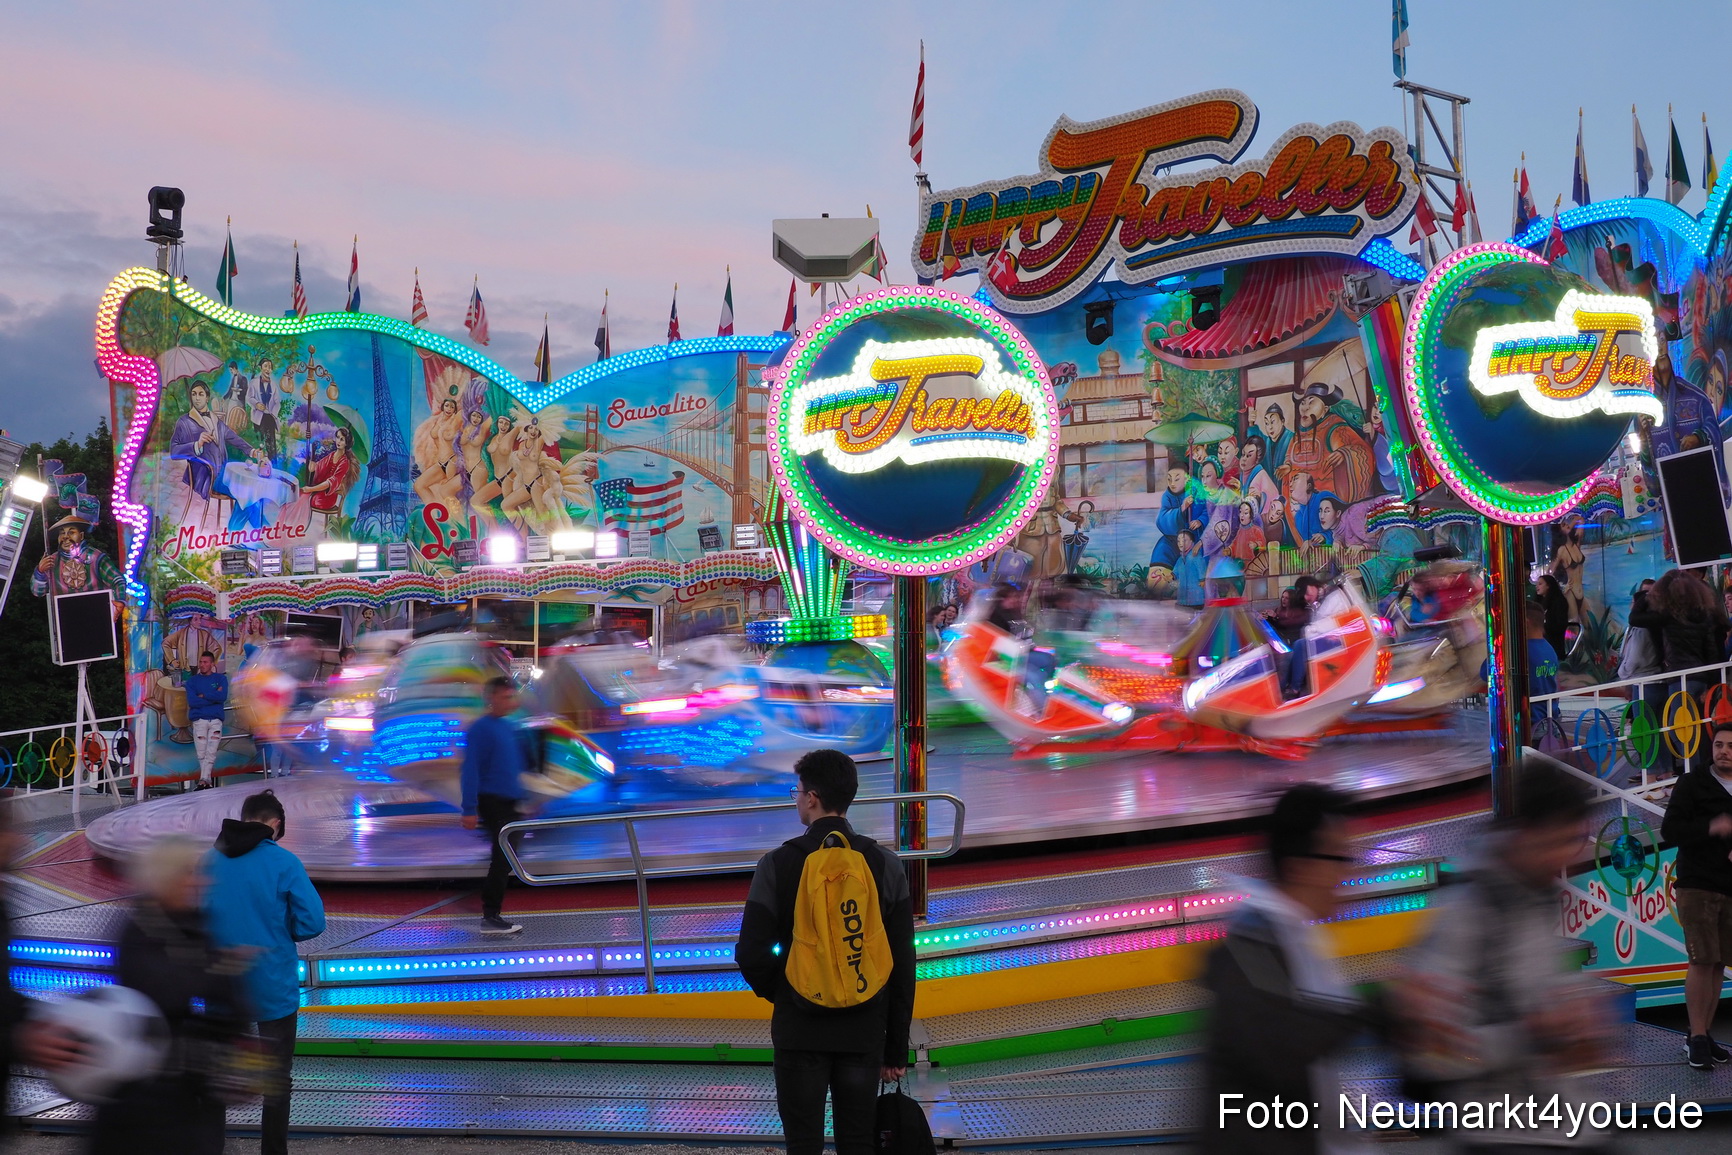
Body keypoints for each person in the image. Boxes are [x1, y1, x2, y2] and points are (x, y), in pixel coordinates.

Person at [1397, 757, 1615, 1148]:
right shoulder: (1466, 911)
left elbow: (1538, 990)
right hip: (1497, 1133)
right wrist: (1531, 1033)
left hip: (1564, 1123)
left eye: (1573, 841)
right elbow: (1432, 1053)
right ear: (1521, 834)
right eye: (1554, 843)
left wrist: (1577, 1018)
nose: (1564, 858)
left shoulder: (1535, 898)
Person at [734, 750, 916, 1155]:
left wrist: (789, 991)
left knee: (803, 1144)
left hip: (800, 1030)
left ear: (812, 797)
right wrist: (896, 1048)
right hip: (865, 1026)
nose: (796, 799)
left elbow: (750, 953)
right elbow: (902, 964)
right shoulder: (885, 864)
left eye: (798, 792)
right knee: (857, 1141)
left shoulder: (778, 864)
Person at [1200, 784, 1380, 1155]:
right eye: (1340, 858)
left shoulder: (1297, 938)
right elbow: (1281, 1046)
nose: (1350, 873)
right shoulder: (1253, 943)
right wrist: (1381, 1013)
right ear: (1299, 866)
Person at [90, 838, 247, 1155]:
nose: (201, 881)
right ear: (165, 877)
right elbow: (165, 990)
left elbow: (232, 1009)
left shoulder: (193, 928)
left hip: (187, 1097)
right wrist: (217, 967)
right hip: (137, 1101)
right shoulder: (138, 931)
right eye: (189, 872)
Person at [204, 789, 326, 1155]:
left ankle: (209, 1147)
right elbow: (313, 922)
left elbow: (191, 918)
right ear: (274, 824)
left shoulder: (207, 861)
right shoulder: (284, 863)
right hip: (272, 984)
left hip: (220, 984)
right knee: (275, 1079)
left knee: (217, 1074)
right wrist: (281, 929)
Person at [1661, 722, 1732, 1069]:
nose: (1724, 751)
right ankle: (1699, 1039)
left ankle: (1702, 1034)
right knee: (1702, 960)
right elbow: (1670, 830)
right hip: (1698, 883)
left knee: (1719, 961)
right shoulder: (1693, 783)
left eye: (1731, 746)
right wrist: (1712, 828)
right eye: (1719, 744)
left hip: (1729, 886)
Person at [461, 676, 530, 935]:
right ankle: (490, 916)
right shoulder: (481, 729)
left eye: (512, 696)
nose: (510, 701)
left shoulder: (508, 727)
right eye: (505, 697)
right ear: (491, 699)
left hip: (509, 802)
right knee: (502, 858)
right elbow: (471, 770)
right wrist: (468, 809)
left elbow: (512, 768)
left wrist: (526, 798)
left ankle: (487, 910)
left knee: (505, 858)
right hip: (493, 802)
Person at [184, 650, 228, 790]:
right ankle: (206, 780)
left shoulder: (220, 679)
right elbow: (192, 701)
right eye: (201, 662)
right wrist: (212, 697)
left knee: (211, 751)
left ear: (212, 664)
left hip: (215, 719)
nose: (202, 665)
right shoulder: (192, 681)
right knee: (201, 752)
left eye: (205, 662)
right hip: (199, 719)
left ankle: (203, 780)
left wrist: (203, 696)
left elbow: (222, 697)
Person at [1524, 600, 1561, 730]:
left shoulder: (1521, 651)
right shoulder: (1550, 650)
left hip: (1532, 723)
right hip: (1551, 719)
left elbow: (1484, 673)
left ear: (1526, 622)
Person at [1535, 573, 1571, 659]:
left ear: (1548, 586)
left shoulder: (1558, 601)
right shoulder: (1539, 602)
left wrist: (1544, 627)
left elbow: (1559, 625)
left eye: (1540, 584)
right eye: (1537, 584)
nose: (1537, 587)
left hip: (1553, 644)